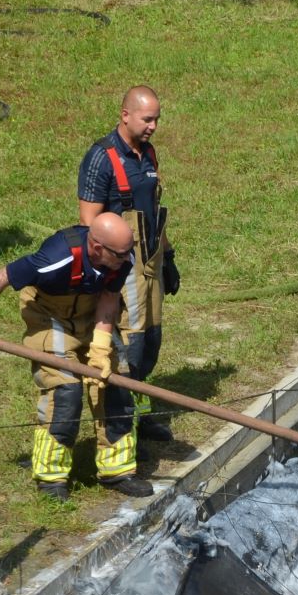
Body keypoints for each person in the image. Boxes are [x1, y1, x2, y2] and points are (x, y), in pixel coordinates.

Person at [0, 213, 152, 501]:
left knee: (117, 382)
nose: (128, 258)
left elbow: (109, 297)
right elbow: (2, 276)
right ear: (97, 248)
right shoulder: (56, 258)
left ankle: (117, 470)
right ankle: (51, 477)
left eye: (128, 251)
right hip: (50, 316)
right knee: (65, 390)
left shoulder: (121, 258)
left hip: (92, 314)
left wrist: (98, 348)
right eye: (121, 253)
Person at [78, 85, 179, 444]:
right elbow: (89, 223)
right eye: (147, 119)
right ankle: (121, 422)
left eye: (157, 119)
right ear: (125, 115)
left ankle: (139, 408)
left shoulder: (148, 155)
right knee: (130, 345)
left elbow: (152, 210)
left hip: (150, 259)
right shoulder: (101, 158)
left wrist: (168, 258)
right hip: (122, 265)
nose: (153, 126)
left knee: (151, 339)